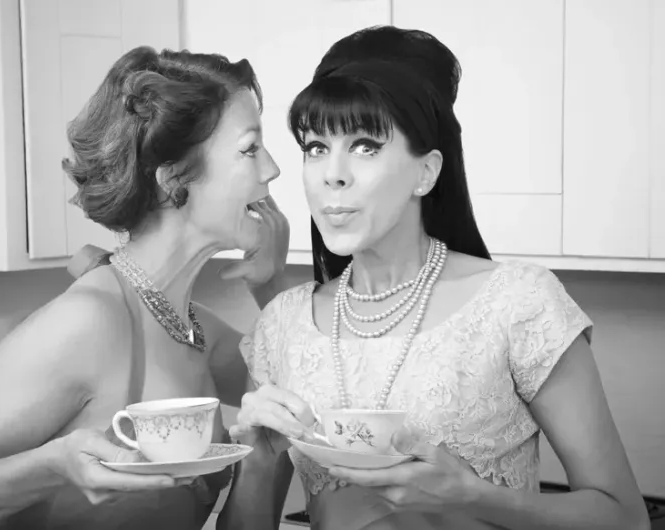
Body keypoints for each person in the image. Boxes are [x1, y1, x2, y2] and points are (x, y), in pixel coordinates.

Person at [231, 26, 650, 530]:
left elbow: (625, 517)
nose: (332, 174)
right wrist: (254, 460)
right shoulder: (281, 324)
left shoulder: (519, 302)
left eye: (365, 146)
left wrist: (471, 496)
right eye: (316, 147)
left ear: (426, 172)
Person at [0, 46, 291, 530]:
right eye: (250, 148)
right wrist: (46, 469)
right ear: (174, 179)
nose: (272, 169)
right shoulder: (88, 322)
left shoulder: (192, 329)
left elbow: (296, 383)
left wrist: (270, 280)